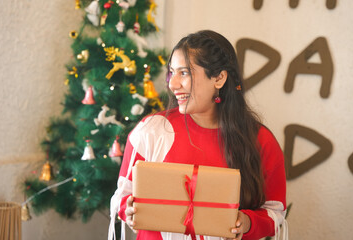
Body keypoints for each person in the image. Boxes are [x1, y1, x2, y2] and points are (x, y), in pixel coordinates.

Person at [108, 30, 287, 240]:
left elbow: (275, 211)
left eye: (184, 73)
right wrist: (127, 208)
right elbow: (122, 195)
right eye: (171, 72)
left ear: (219, 78)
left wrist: (246, 222)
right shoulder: (152, 130)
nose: (172, 84)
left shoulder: (260, 141)